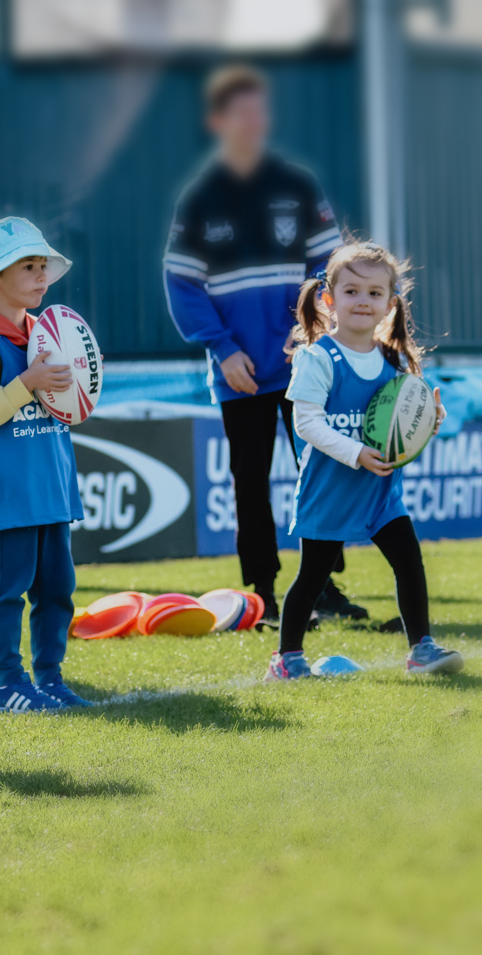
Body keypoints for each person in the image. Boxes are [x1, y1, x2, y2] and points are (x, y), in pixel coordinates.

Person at [164, 65, 359, 626]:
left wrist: (316, 334)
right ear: (218, 121)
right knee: (249, 483)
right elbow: (181, 284)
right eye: (242, 113)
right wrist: (223, 349)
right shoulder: (199, 198)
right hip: (240, 371)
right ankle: (264, 596)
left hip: (308, 365)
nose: (255, 122)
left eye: (261, 111)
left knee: (321, 470)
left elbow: (332, 267)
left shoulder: (297, 185)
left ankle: (323, 587)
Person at [268, 241, 463, 681]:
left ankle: (421, 650)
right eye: (352, 291)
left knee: (409, 561)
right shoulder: (317, 358)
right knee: (313, 577)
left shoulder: (394, 361)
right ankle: (286, 659)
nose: (364, 301)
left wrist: (428, 423)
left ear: (391, 305)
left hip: (380, 495)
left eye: (375, 293)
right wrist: (356, 452)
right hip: (330, 491)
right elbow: (307, 424)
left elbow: (404, 425)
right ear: (330, 299)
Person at [0, 218, 93, 712]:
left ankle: (50, 678)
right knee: (7, 592)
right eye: (27, 266)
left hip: (52, 485)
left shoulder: (49, 334)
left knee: (58, 592)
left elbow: (73, 402)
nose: (40, 274)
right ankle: (9, 683)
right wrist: (28, 379)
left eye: (42, 265)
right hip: (10, 492)